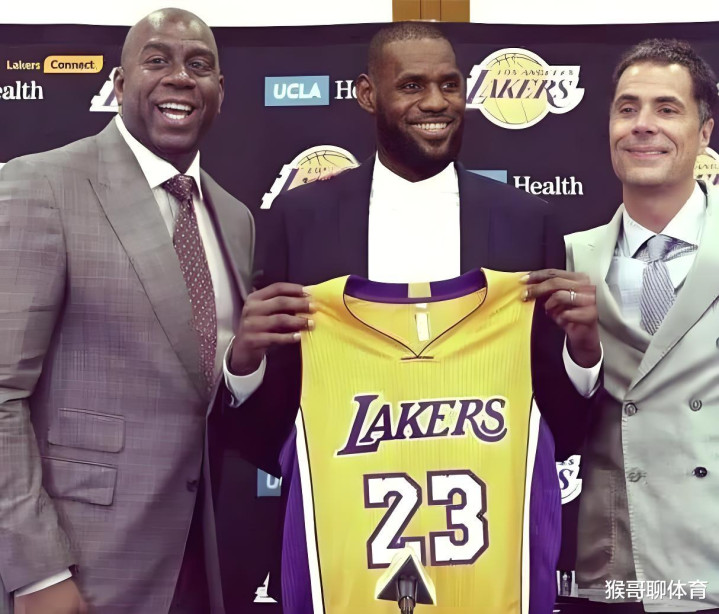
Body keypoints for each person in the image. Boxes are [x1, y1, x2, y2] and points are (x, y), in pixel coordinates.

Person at [223, 21, 601, 614]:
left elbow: (556, 421)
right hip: (349, 558)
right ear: (367, 94)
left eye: (450, 85)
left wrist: (582, 354)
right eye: (412, 85)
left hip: (487, 560)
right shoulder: (301, 218)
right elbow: (274, 427)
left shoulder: (525, 220)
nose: (436, 102)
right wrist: (245, 365)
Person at [0, 8, 254, 614]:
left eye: (199, 65)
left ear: (220, 92)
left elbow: (199, 386)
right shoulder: (42, 185)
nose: (180, 77)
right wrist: (37, 573)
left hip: (199, 563)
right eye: (157, 60)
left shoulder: (235, 218)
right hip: (82, 567)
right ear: (118, 84)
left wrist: (244, 368)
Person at [565, 39, 719, 613]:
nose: (642, 125)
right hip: (617, 564)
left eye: (667, 109)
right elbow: (554, 415)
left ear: (705, 133)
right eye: (626, 109)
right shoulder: (568, 257)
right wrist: (581, 356)